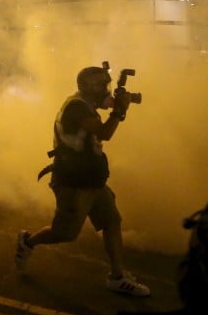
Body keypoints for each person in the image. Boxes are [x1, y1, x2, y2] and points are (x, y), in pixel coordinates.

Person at [15, 65, 150, 297]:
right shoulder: (77, 108)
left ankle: (117, 276)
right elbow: (105, 132)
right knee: (64, 233)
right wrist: (119, 111)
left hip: (92, 179)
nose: (104, 89)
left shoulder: (85, 103)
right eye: (100, 84)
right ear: (86, 86)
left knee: (111, 221)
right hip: (73, 182)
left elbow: (106, 105)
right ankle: (28, 242)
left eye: (106, 84)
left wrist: (119, 102)